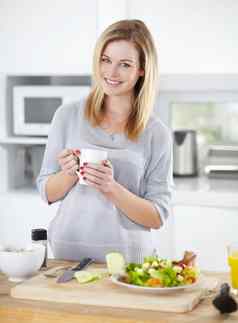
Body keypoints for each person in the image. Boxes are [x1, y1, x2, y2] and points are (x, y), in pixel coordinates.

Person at [36, 19, 174, 263]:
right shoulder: (67, 116)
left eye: (125, 64)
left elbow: (157, 216)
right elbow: (46, 192)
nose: (111, 73)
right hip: (67, 256)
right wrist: (69, 173)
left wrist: (111, 188)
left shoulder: (156, 133)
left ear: (141, 69)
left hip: (129, 261)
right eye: (106, 60)